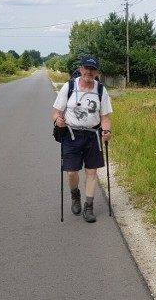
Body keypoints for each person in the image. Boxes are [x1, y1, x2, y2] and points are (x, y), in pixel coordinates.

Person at [52, 55, 112, 223]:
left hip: (93, 136)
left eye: (92, 69)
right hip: (71, 135)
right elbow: (56, 112)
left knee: (92, 172)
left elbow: (105, 116)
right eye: (86, 68)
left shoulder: (100, 90)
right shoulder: (69, 86)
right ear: (80, 68)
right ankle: (75, 194)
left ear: (97, 71)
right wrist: (58, 120)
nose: (89, 72)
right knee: (71, 172)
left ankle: (89, 207)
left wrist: (106, 130)